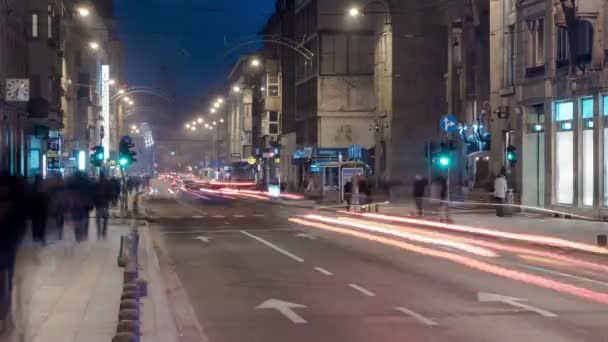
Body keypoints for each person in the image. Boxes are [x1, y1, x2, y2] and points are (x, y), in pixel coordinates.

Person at [30, 175, 49, 245]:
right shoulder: (44, 188)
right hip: (42, 207)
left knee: (36, 222)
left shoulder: (33, 188)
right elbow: (47, 198)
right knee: (42, 222)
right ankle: (40, 237)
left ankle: (36, 236)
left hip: (37, 208)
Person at [94, 173, 112, 239]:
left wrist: (94, 203)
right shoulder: (108, 183)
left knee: (98, 220)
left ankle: (98, 232)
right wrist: (109, 200)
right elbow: (110, 193)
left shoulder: (96, 183)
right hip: (105, 204)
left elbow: (94, 194)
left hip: (98, 205)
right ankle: (104, 233)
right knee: (105, 219)